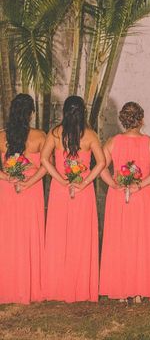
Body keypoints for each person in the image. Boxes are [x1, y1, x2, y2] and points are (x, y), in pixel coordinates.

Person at [41, 96, 105, 302]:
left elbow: (44, 159)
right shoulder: (91, 135)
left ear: (65, 111)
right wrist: (84, 183)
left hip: (61, 190)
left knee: (59, 236)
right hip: (82, 191)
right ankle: (79, 286)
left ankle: (57, 286)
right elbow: (101, 163)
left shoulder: (56, 133)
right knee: (80, 235)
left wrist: (59, 179)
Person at [99, 102, 150, 302]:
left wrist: (114, 185)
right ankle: (140, 290)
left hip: (118, 196)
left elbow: (100, 167)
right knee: (141, 240)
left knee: (120, 239)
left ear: (123, 120)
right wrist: (139, 185)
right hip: (142, 195)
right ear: (141, 120)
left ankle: (121, 289)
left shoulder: (112, 142)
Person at [0, 94, 47, 304]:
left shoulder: (1, 136)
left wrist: (8, 177)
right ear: (31, 113)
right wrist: (29, 182)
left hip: (8, 188)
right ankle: (29, 286)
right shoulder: (39, 136)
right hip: (31, 189)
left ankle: (7, 285)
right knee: (29, 234)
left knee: (8, 236)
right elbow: (47, 165)